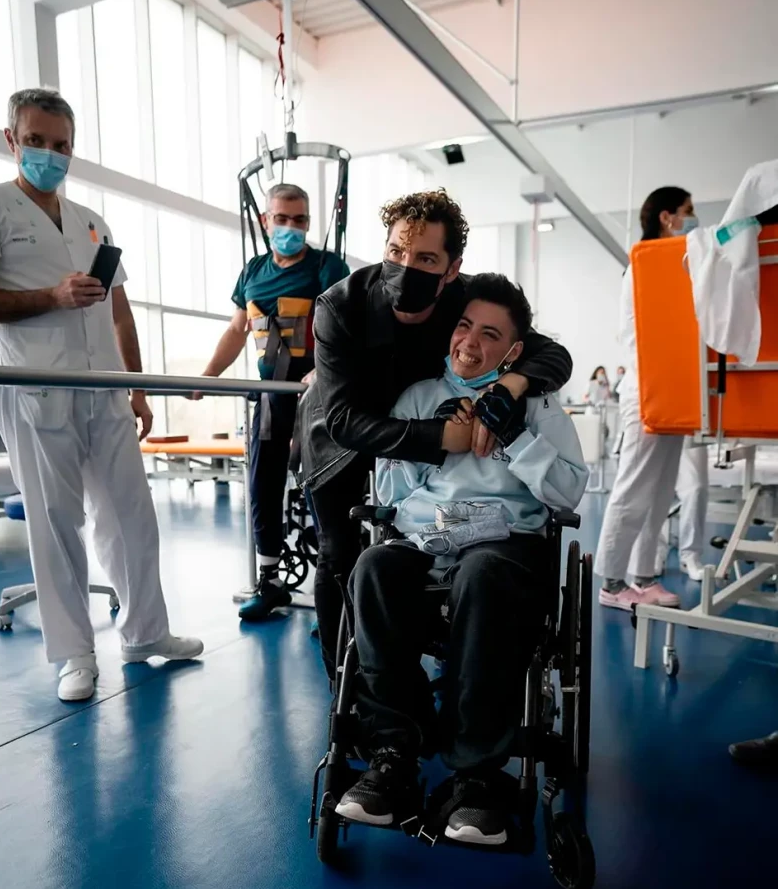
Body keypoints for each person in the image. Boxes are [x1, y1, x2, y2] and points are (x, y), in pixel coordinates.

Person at [334, 274, 587, 844]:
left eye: (490, 334)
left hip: (505, 552)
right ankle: (395, 750)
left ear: (515, 351)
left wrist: (516, 439)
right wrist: (431, 440)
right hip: (428, 543)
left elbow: (570, 493)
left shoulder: (541, 405)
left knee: (484, 571)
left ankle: (477, 774)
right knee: (372, 567)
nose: (470, 342)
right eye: (465, 327)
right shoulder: (420, 396)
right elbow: (394, 497)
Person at [0, 88, 203, 701]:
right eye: (36, 142)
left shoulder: (91, 220)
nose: (49, 155)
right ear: (11, 140)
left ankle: (145, 634)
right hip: (34, 385)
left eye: (60, 146)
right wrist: (50, 297)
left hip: (104, 385)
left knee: (132, 514)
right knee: (56, 522)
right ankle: (75, 654)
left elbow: (121, 314)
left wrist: (136, 388)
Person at [301, 190, 574, 677]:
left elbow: (552, 355)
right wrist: (441, 438)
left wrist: (511, 386)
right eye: (396, 253)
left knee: (449, 565)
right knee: (342, 558)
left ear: (451, 269)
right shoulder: (339, 307)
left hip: (432, 428)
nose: (407, 267)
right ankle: (351, 705)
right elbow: (343, 421)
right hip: (343, 441)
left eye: (426, 258)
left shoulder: (463, 300)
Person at [193, 184, 349, 622]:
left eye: (300, 220)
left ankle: (332, 592)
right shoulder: (253, 272)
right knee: (263, 484)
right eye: (282, 219)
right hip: (271, 395)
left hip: (316, 397)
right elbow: (236, 330)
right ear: (266, 221)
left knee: (323, 488)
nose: (291, 227)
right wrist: (207, 377)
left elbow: (344, 327)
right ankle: (270, 580)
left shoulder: (325, 267)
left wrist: (324, 371)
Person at [595, 186, 699, 611]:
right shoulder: (643, 264)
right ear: (666, 217)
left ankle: (643, 576)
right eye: (688, 212)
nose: (693, 219)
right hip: (648, 390)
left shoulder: (678, 265)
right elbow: (638, 335)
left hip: (674, 390)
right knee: (633, 487)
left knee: (659, 490)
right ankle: (613, 583)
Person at [631, 438, 709, 582]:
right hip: (658, 427)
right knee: (654, 489)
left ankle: (690, 556)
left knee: (696, 488)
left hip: (692, 428)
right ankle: (654, 554)